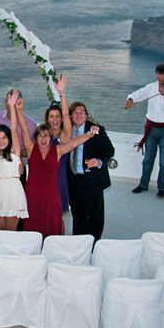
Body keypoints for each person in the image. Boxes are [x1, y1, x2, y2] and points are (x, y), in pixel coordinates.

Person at [18, 97, 98, 238]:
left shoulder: (58, 150)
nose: (43, 139)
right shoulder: (31, 149)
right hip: (33, 192)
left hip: (52, 192)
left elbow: (74, 142)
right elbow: (24, 130)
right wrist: (18, 110)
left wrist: (89, 134)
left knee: (52, 222)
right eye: (40, 136)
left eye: (47, 136)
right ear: (36, 138)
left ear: (51, 137)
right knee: (33, 220)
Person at [126, 63, 164, 198]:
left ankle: (162, 188)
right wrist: (131, 99)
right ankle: (143, 184)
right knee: (148, 159)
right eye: (159, 74)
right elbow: (137, 94)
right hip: (151, 128)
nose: (161, 77)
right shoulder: (151, 88)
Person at [66, 101, 115, 242]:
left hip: (93, 179)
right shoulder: (67, 132)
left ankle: (94, 244)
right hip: (74, 180)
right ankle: (79, 243)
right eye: (75, 112)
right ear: (70, 116)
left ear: (86, 115)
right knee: (78, 214)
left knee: (95, 215)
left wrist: (99, 161)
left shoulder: (96, 130)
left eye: (82, 112)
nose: (79, 115)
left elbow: (109, 150)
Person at [0, 92, 28, 231]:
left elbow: (15, 129)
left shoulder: (15, 151)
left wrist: (12, 108)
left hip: (12, 189)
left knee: (11, 231)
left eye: (4, 137)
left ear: (9, 138)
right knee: (1, 230)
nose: (1, 141)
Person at [0, 89, 37, 184]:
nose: (12, 104)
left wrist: (20, 156)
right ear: (5, 102)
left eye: (15, 101)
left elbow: (33, 150)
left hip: (18, 169)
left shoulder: (31, 124)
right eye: (10, 100)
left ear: (21, 102)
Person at [44, 75, 72, 214]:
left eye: (57, 116)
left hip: (59, 177)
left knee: (57, 214)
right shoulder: (43, 135)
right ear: (47, 119)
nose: (55, 119)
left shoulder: (65, 135)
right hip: (44, 177)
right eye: (51, 116)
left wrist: (62, 94)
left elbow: (67, 114)